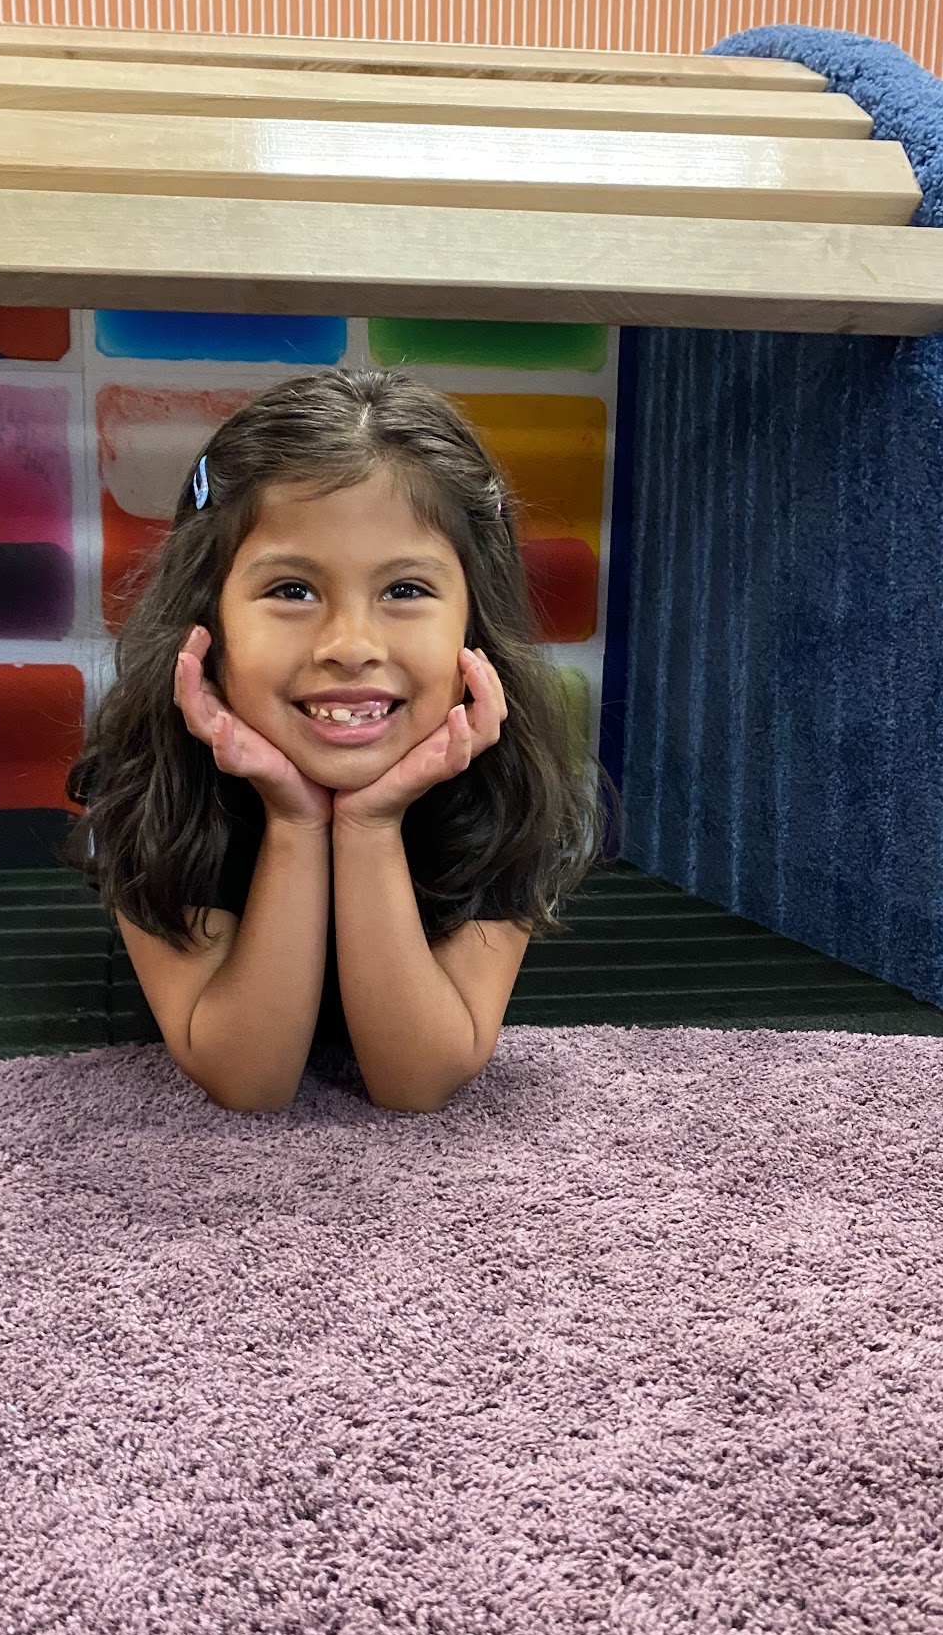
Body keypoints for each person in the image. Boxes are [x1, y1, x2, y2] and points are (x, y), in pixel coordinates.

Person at [64, 367, 619, 1113]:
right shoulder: (151, 777)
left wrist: (369, 823)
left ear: (474, 625)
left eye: (405, 590)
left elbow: (418, 1082)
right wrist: (294, 821)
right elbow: (248, 1081)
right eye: (292, 590)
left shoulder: (507, 781)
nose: (351, 646)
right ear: (209, 621)